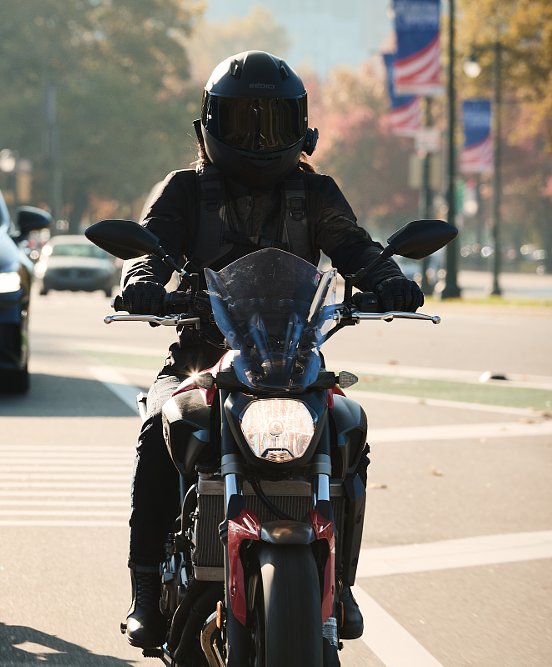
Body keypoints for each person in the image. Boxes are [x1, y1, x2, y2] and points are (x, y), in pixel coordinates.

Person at [119, 50, 424, 648]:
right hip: (202, 359)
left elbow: (352, 246)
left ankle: (345, 579)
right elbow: (153, 244)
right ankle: (144, 589)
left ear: (302, 129)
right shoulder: (186, 190)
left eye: (274, 123)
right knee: (157, 433)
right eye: (242, 121)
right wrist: (143, 279)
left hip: (293, 357)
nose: (259, 138)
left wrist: (385, 277)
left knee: (347, 429)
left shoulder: (317, 193)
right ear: (209, 126)